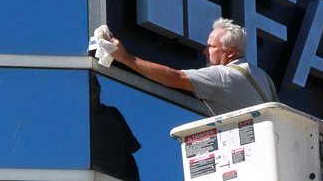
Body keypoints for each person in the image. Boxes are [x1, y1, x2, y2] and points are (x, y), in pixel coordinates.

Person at [111, 18, 278, 115]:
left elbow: (174, 77)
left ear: (231, 51)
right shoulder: (262, 76)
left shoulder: (222, 76)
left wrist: (125, 58)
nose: (205, 51)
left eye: (212, 47)